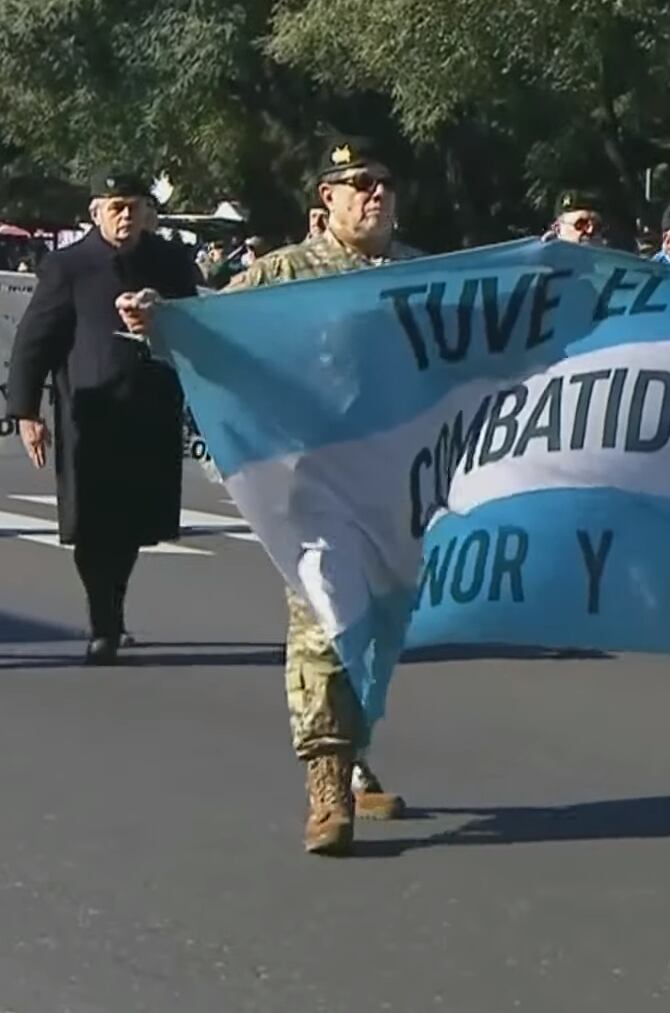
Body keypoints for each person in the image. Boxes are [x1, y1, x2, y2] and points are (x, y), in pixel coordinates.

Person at [128, 137, 421, 855]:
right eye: (357, 183)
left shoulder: (422, 275)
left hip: (398, 485)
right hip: (310, 481)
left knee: (375, 625)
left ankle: (352, 758)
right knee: (323, 618)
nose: (374, 193)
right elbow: (210, 334)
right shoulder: (285, 273)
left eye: (382, 181)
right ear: (328, 197)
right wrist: (154, 321)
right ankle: (326, 786)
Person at [4, 171, 202, 664]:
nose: (126, 216)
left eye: (134, 206)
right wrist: (26, 410)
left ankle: (113, 605)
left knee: (133, 524)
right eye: (115, 207)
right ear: (96, 212)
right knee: (92, 526)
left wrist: (165, 315)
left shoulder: (168, 262)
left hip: (149, 408)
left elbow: (199, 324)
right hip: (88, 414)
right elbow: (35, 338)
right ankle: (103, 622)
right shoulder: (69, 265)